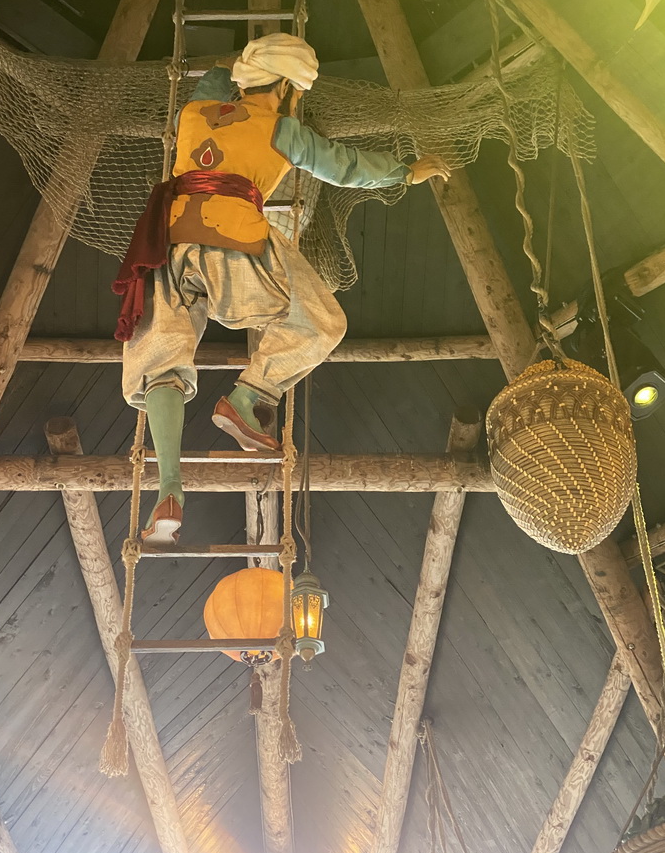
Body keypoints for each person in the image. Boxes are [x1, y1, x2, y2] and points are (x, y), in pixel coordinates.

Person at [114, 33, 450, 545]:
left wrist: (244, 66)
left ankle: (170, 488)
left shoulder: (195, 111)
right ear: (292, 90)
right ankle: (249, 398)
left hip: (168, 243)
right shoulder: (283, 130)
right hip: (234, 242)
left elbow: (217, 78)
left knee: (160, 360)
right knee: (322, 321)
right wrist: (405, 172)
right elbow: (344, 166)